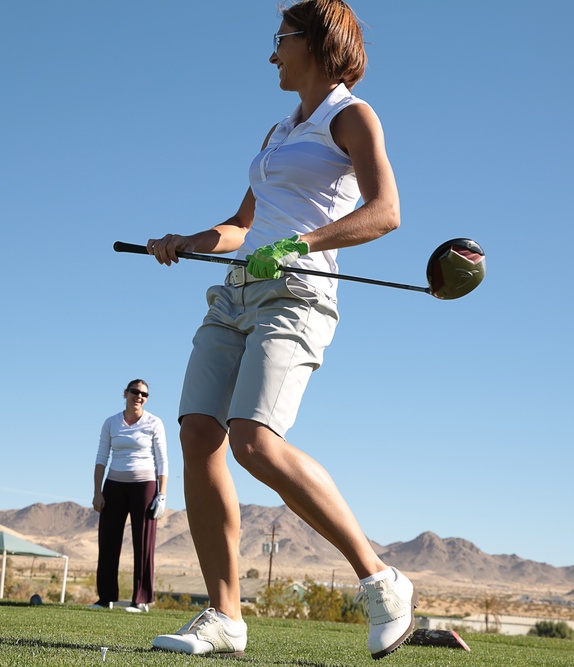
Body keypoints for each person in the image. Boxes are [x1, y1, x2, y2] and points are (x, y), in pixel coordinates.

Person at [145, 0, 414, 659]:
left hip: (296, 292)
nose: (271, 54)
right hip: (235, 289)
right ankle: (225, 615)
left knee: (254, 441)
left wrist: (303, 242)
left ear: (316, 44)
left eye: (280, 39)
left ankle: (382, 582)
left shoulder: (351, 115)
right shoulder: (276, 131)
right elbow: (241, 227)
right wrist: (188, 239)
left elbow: (386, 211)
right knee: (197, 432)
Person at [92, 379, 168, 613]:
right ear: (125, 393)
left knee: (144, 543)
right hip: (114, 485)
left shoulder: (154, 423)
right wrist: (97, 491)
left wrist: (161, 494)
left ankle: (141, 599)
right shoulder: (111, 423)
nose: (139, 396)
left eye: (144, 394)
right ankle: (105, 598)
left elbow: (162, 460)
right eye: (135, 392)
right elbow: (101, 457)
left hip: (144, 486)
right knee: (108, 541)